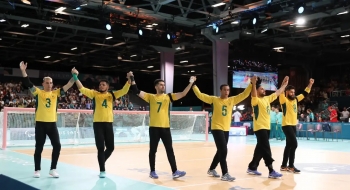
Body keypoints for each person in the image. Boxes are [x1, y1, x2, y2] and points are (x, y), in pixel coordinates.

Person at [129, 73, 194, 179]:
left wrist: (191, 83)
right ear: (156, 87)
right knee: (153, 150)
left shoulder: (168, 97)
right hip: (154, 128)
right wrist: (132, 78)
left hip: (165, 128)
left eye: (163, 84)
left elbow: (183, 94)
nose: (163, 86)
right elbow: (136, 90)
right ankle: (152, 171)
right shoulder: (151, 97)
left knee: (170, 150)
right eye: (160, 84)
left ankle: (175, 171)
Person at [71, 68, 131, 178]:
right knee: (100, 148)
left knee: (111, 148)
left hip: (108, 123)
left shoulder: (112, 95)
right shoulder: (94, 94)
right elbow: (82, 89)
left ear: (107, 87)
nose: (101, 86)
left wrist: (129, 80)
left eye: (103, 84)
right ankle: (102, 170)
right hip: (98, 124)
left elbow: (124, 91)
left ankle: (101, 160)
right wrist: (75, 77)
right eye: (100, 84)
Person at [19, 61, 75, 178]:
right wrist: (23, 71)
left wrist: (75, 75)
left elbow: (69, 84)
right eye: (47, 83)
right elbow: (27, 83)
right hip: (40, 124)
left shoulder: (56, 93)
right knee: (39, 147)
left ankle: (53, 169)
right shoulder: (38, 93)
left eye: (51, 83)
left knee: (57, 145)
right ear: (43, 84)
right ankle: (37, 170)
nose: (49, 85)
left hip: (52, 125)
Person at [193, 76, 254, 181]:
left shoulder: (232, 100)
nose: (227, 91)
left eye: (228, 90)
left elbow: (244, 94)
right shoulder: (214, 99)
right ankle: (225, 173)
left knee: (220, 151)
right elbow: (200, 95)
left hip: (226, 129)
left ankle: (211, 169)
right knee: (224, 150)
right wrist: (193, 85)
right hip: (217, 128)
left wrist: (251, 84)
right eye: (225, 90)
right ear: (220, 90)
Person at [247, 76, 289, 179]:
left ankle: (252, 167)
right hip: (259, 127)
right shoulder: (255, 100)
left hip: (267, 127)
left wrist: (284, 85)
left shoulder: (267, 99)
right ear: (256, 91)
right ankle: (271, 170)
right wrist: (253, 84)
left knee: (260, 149)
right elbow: (253, 94)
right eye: (261, 88)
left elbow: (278, 92)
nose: (264, 90)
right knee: (266, 148)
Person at [279, 79, 314, 173]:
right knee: (294, 144)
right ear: (287, 92)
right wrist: (284, 83)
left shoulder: (295, 99)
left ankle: (283, 165)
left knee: (288, 145)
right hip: (286, 125)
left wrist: (310, 84)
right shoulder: (283, 100)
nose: (293, 93)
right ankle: (291, 166)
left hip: (293, 125)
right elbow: (281, 91)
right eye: (291, 92)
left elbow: (305, 93)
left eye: (294, 92)